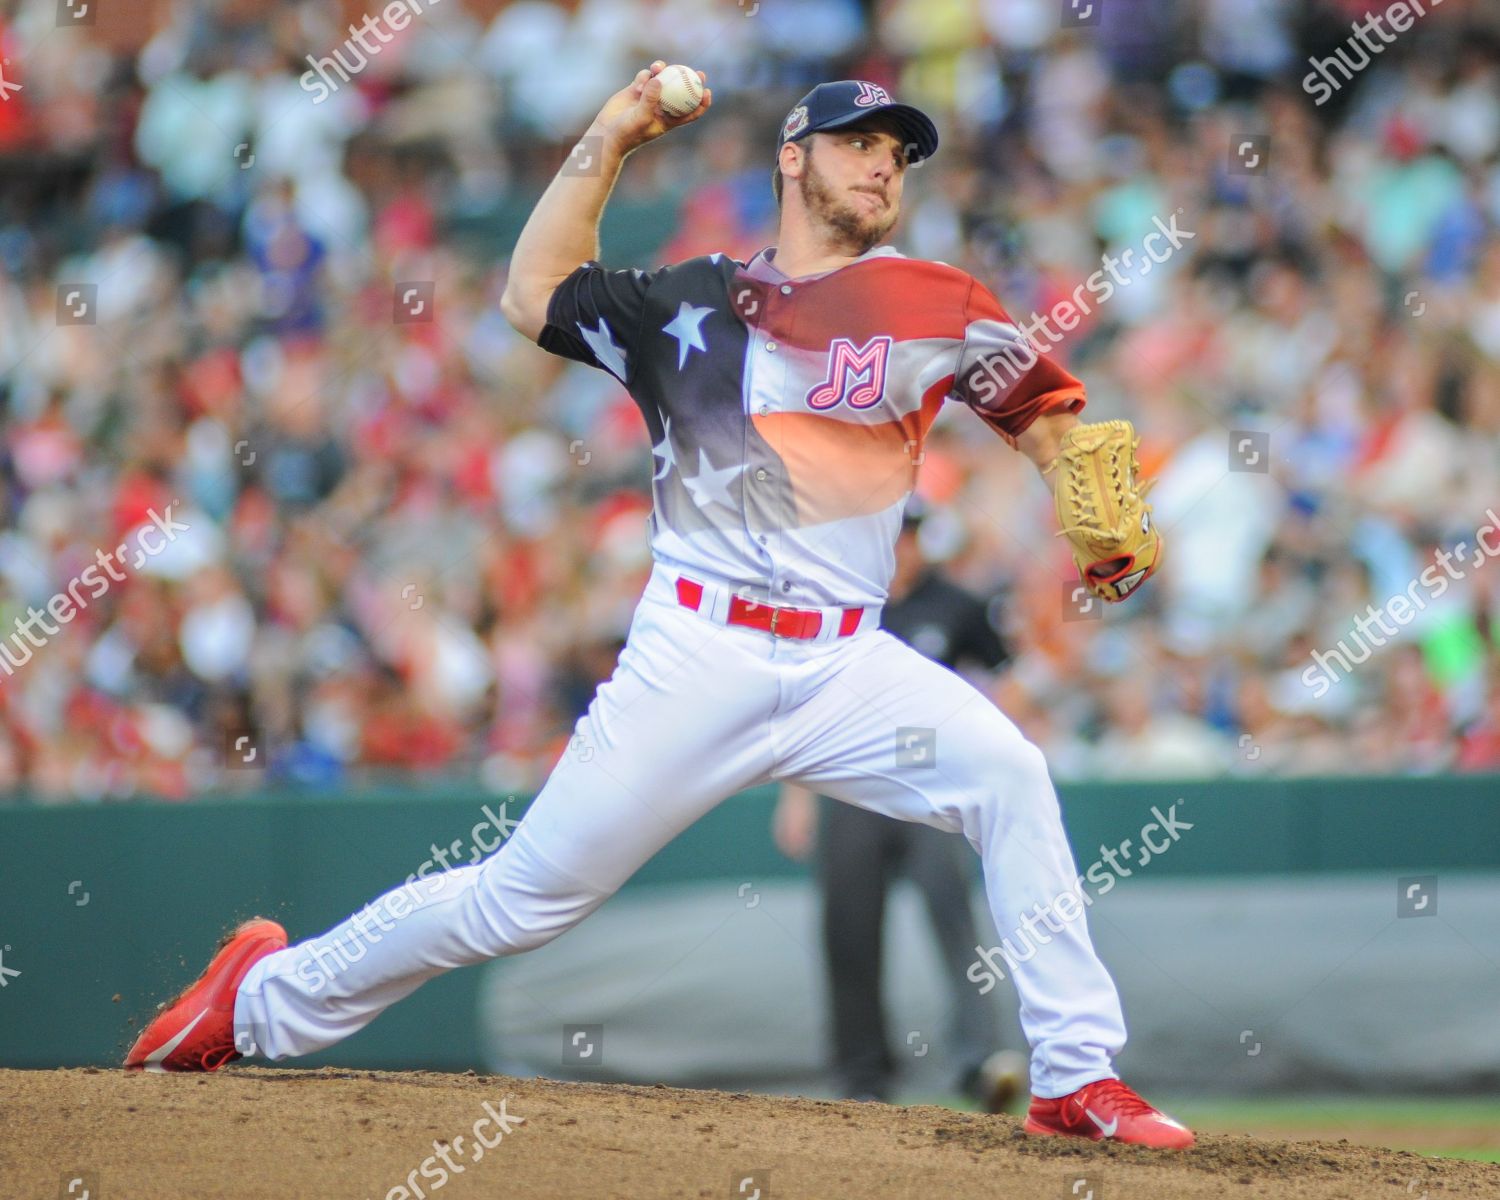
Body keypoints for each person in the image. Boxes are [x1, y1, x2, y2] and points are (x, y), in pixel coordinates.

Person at [125, 64, 1192, 1149]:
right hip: (699, 649)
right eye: (859, 139)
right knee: (521, 902)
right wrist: (615, 129)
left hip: (845, 665)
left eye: (899, 149)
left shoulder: (937, 300)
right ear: (793, 155)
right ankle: (255, 1001)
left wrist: (1083, 498)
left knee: (1010, 775)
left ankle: (1074, 1076)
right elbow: (530, 294)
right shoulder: (685, 299)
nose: (884, 160)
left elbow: (1051, 415)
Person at [773, 507, 1027, 1109]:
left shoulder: (955, 605)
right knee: (849, 932)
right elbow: (810, 705)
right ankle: (863, 1079)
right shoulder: (842, 605)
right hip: (853, 787)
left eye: (908, 535)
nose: (901, 547)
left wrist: (992, 760)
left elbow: (1007, 681)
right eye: (892, 534)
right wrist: (795, 796)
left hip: (929, 792)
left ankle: (979, 1062)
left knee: (956, 926)